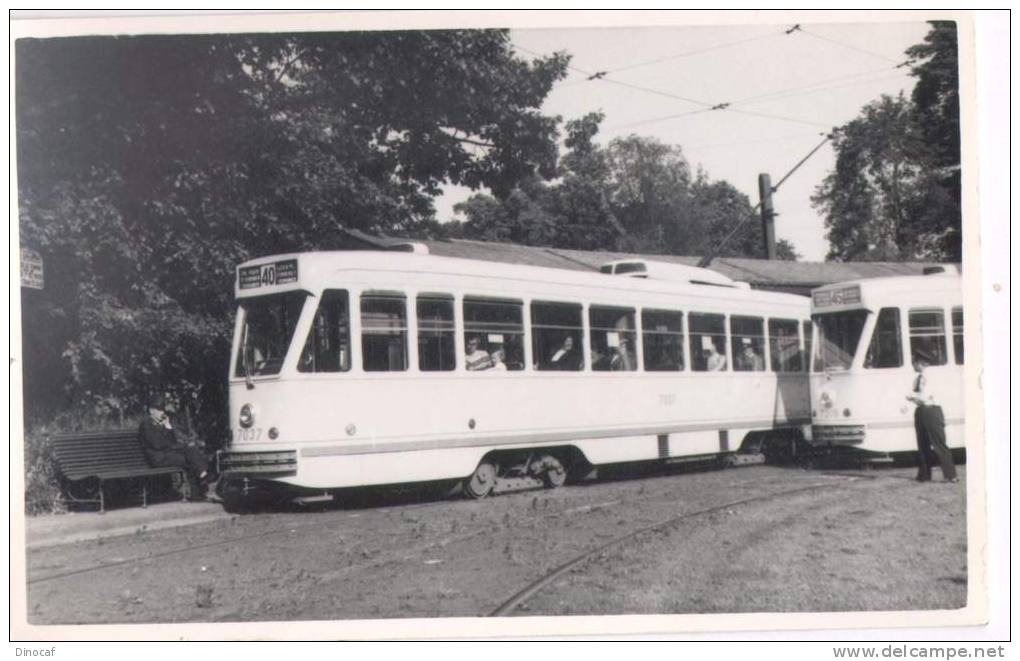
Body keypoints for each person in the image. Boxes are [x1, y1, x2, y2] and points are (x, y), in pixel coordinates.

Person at [138, 393, 213, 499]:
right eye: (159, 410)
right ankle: (201, 481)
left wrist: (168, 427)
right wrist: (164, 431)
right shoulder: (146, 424)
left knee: (190, 453)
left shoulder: (160, 423)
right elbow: (156, 444)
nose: (162, 412)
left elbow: (172, 441)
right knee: (190, 457)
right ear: (151, 410)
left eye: (163, 410)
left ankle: (202, 479)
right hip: (157, 458)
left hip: (166, 455)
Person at [906, 359, 958, 483]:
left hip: (932, 411)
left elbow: (924, 397)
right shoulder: (917, 378)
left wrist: (912, 398)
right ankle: (924, 475)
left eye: (914, 363)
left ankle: (951, 475)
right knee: (922, 444)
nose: (913, 366)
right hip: (921, 411)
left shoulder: (932, 377)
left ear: (920, 364)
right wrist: (913, 399)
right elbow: (916, 395)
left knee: (938, 443)